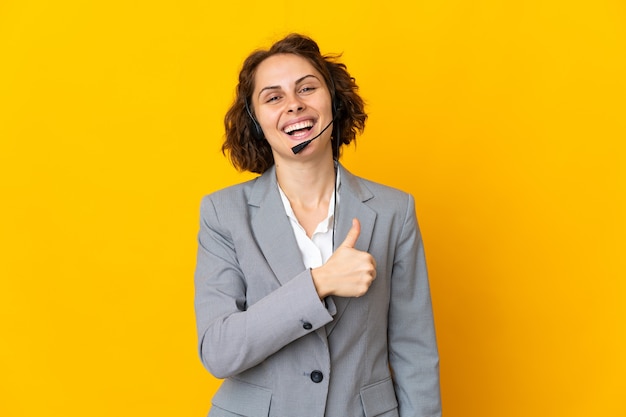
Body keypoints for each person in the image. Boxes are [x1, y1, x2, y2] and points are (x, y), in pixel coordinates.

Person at [194, 33, 441, 417]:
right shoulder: (222, 213)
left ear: (334, 101)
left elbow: (416, 352)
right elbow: (219, 351)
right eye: (273, 97)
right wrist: (319, 283)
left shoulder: (396, 210)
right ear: (256, 121)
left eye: (307, 88)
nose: (294, 105)